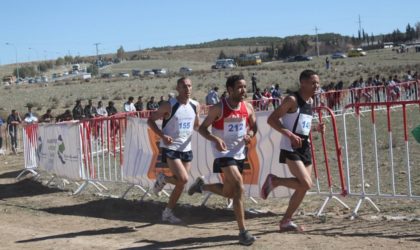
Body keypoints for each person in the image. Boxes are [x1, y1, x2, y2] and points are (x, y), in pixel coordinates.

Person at [188, 74, 258, 246]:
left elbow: (254, 127)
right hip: (223, 153)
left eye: (245, 87)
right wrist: (215, 139)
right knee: (239, 186)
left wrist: (250, 134)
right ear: (230, 90)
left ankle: (201, 186)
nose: (244, 90)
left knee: (229, 192)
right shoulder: (218, 108)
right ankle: (243, 232)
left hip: (240, 153)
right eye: (240, 87)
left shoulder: (248, 107)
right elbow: (203, 129)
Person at [260, 69, 324, 232]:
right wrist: (289, 134)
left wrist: (315, 128)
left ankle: (286, 220)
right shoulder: (292, 100)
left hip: (304, 147)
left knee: (302, 187)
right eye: (313, 82)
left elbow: (302, 126)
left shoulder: (310, 102)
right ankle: (275, 181)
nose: (316, 85)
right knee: (306, 184)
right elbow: (271, 119)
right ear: (303, 83)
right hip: (290, 147)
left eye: (317, 82)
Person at [147, 77, 200, 224]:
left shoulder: (195, 105)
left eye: (189, 86)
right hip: (171, 147)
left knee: (181, 183)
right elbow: (150, 120)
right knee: (183, 179)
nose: (187, 89)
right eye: (184, 86)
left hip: (186, 147)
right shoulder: (169, 105)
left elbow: (196, 125)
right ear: (178, 88)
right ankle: (163, 180)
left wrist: (211, 134)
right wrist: (162, 135)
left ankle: (167, 212)